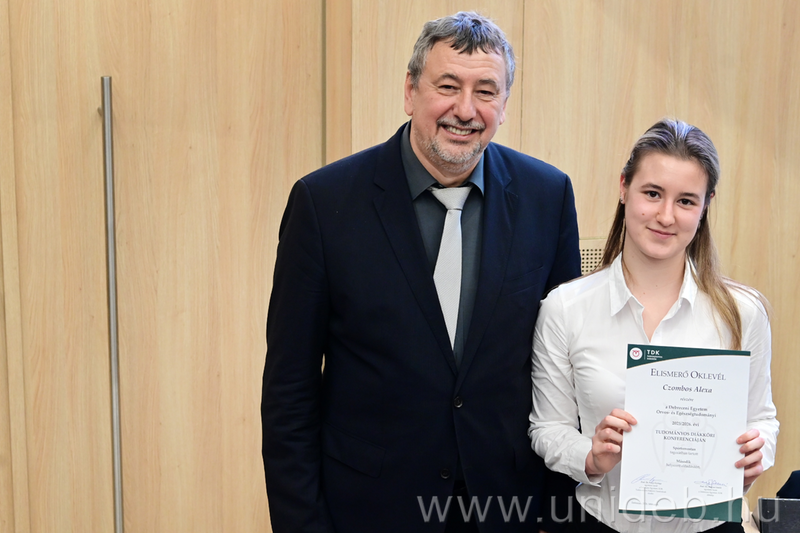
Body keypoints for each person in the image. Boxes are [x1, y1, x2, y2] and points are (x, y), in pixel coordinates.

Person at [261, 11, 581, 533]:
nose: (465, 110)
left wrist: (559, 515)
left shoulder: (547, 197)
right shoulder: (323, 204)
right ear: (410, 91)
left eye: (485, 91)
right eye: (447, 86)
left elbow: (564, 374)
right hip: (370, 509)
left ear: (504, 104)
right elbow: (289, 391)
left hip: (505, 508)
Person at [528, 119, 779, 533]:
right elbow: (547, 427)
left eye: (686, 201)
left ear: (706, 205)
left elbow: (763, 418)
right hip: (599, 523)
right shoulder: (565, 308)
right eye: (652, 193)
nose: (665, 216)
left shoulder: (744, 312)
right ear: (624, 187)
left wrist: (758, 450)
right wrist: (590, 456)